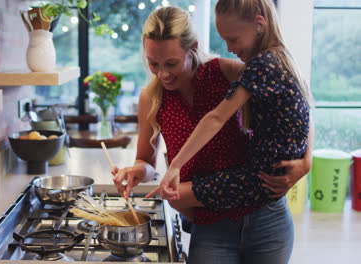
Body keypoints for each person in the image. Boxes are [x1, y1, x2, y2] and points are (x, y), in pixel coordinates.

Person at [113, 4, 313, 264]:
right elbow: (147, 164)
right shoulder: (151, 98)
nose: (162, 73)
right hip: (210, 225)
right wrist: (137, 171)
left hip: (267, 216)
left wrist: (307, 160)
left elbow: (296, 101)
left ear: (193, 48)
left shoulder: (227, 73)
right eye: (153, 63)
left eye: (171, 63)